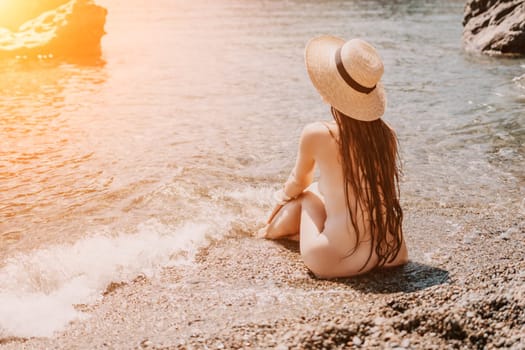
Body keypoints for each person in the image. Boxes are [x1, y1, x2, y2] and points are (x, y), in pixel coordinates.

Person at [259, 36, 408, 278]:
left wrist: (275, 207)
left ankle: (265, 233)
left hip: (334, 260)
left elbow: (298, 184)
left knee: (307, 196)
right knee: (325, 190)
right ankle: (292, 231)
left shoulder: (318, 133)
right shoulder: (387, 135)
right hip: (391, 252)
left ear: (332, 90)